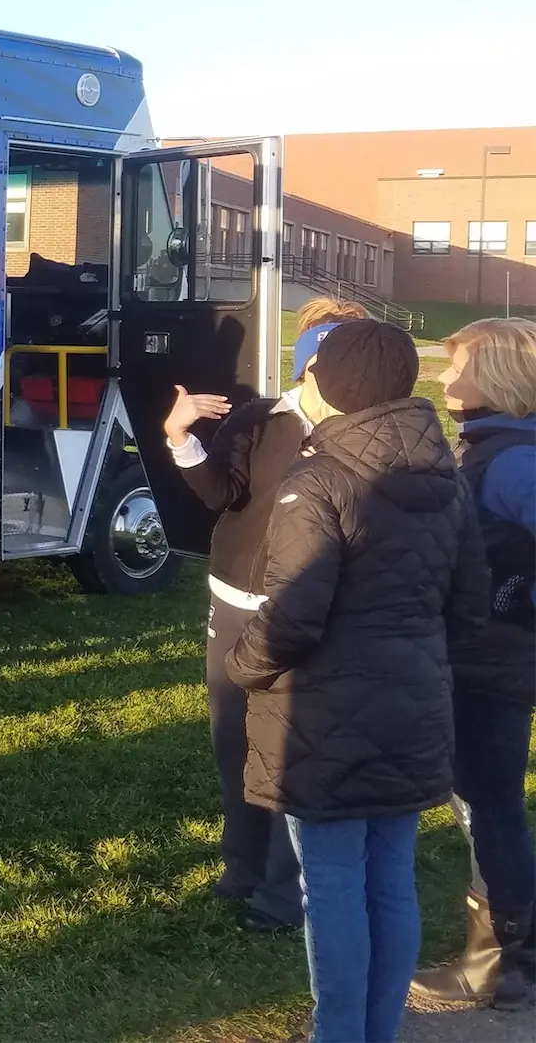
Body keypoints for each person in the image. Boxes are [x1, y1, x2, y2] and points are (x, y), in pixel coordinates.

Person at [225, 319, 491, 1043]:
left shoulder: (319, 479)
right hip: (415, 701)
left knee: (334, 883)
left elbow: (293, 615)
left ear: (331, 382)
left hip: (324, 710)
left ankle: (340, 1034)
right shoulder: (446, 475)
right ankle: (376, 1030)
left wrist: (241, 667)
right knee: (390, 875)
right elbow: (470, 604)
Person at [162, 305, 365, 936]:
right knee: (233, 742)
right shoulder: (258, 418)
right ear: (305, 365)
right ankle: (241, 866)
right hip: (234, 603)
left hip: (303, 613)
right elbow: (221, 493)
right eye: (322, 364)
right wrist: (180, 437)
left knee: (284, 752)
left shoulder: (362, 434)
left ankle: (282, 892)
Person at [411, 317, 536, 1009]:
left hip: (494, 658)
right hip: (485, 652)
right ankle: (514, 947)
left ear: (496, 376)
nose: (443, 378)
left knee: (489, 806)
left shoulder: (513, 459)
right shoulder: (495, 445)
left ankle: (496, 965)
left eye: (456, 367)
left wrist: (518, 597)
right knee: (490, 802)